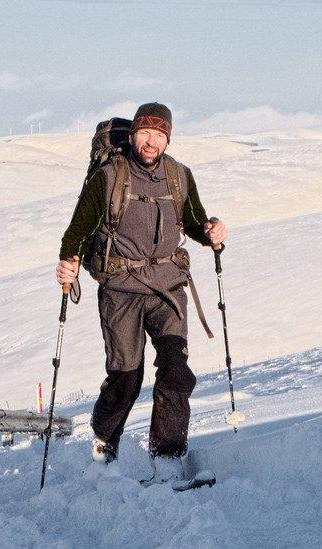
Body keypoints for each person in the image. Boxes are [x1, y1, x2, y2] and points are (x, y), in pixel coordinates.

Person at [55, 102, 227, 484]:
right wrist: (68, 263)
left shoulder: (180, 176)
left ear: (168, 138)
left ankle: (167, 455)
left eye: (159, 135)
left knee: (175, 370)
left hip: (168, 288)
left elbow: (196, 222)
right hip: (121, 290)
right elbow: (78, 231)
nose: (151, 142)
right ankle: (104, 438)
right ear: (132, 135)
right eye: (145, 133)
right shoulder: (109, 177)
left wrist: (211, 231)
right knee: (125, 377)